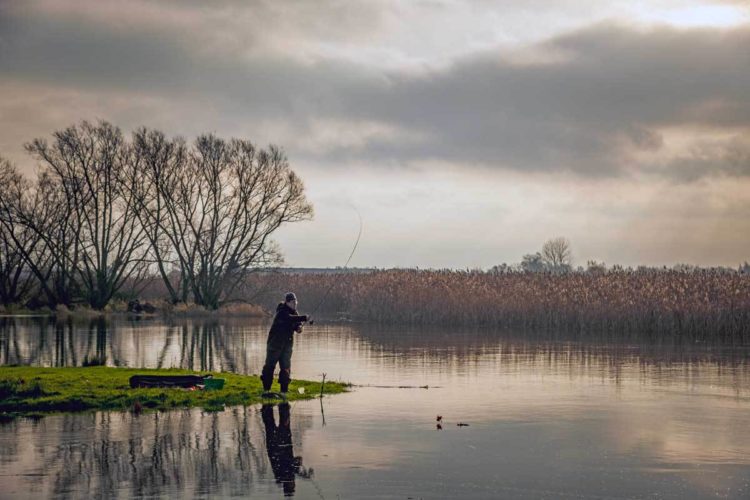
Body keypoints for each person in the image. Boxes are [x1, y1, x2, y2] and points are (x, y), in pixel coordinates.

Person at [261, 292, 309, 398]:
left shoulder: (295, 313)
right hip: (274, 344)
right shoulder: (281, 311)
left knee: (286, 368)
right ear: (287, 302)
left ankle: (284, 391)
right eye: (292, 302)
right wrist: (304, 318)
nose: (295, 304)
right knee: (269, 367)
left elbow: (297, 325)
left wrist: (299, 328)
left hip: (287, 345)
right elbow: (289, 318)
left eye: (295, 302)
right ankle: (266, 390)